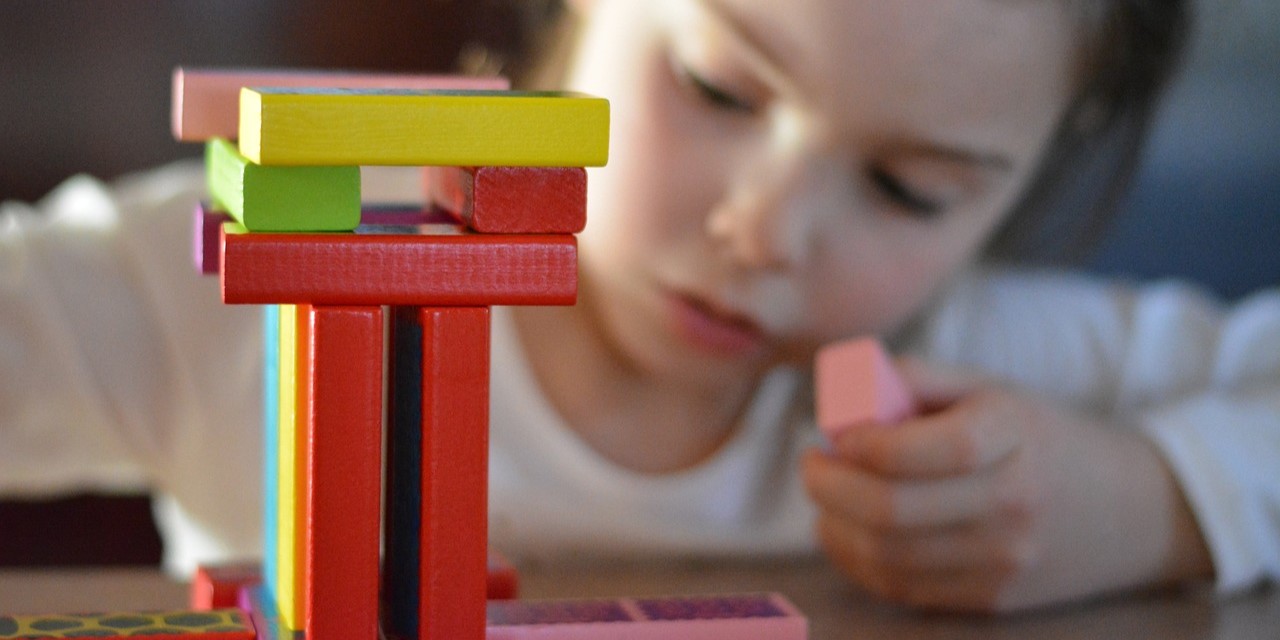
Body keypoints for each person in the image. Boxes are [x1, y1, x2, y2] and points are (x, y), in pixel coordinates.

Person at [1, 0, 1277, 615]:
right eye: (718, 90)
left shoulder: (970, 364)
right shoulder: (257, 256)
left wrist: (1148, 498)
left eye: (908, 187)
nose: (765, 231)